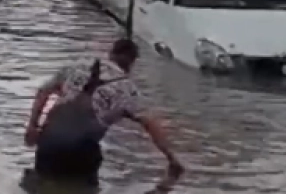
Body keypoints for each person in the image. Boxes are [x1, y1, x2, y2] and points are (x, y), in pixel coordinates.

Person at [24, 38, 184, 188]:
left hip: (49, 141)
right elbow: (151, 124)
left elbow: (43, 92)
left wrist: (32, 126)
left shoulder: (75, 67)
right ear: (132, 62)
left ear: (111, 53)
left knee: (42, 186)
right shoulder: (128, 90)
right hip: (81, 150)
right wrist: (171, 159)